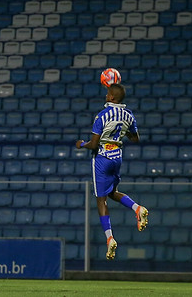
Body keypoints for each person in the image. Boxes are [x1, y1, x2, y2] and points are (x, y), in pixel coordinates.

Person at [75, 83, 149, 260]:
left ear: (112, 97)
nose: (106, 95)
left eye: (108, 93)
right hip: (117, 156)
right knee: (112, 192)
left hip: (102, 157)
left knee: (101, 199)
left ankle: (109, 238)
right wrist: (122, 132)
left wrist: (82, 144)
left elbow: (93, 144)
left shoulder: (102, 116)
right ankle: (137, 208)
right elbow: (135, 139)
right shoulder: (128, 115)